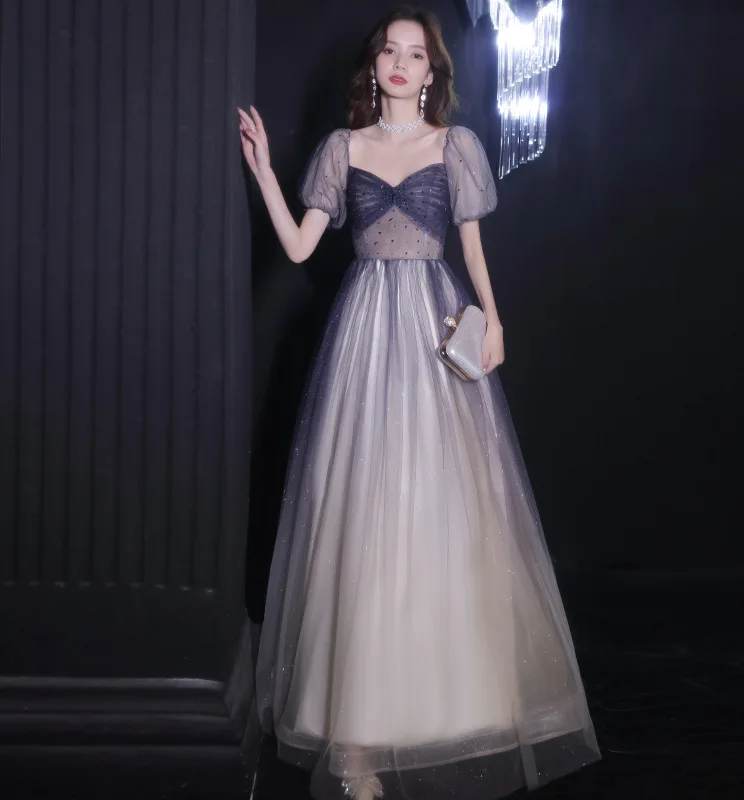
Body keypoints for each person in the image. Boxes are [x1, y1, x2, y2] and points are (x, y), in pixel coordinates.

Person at [238, 5, 601, 799]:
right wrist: (263, 170)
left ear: (432, 73)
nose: (401, 64)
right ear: (375, 68)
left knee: (436, 506)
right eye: (390, 52)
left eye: (416, 54)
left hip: (436, 325)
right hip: (365, 332)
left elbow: (471, 246)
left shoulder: (454, 146)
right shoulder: (343, 148)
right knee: (361, 511)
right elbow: (299, 247)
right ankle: (356, 741)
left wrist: (494, 320)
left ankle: (446, 711)